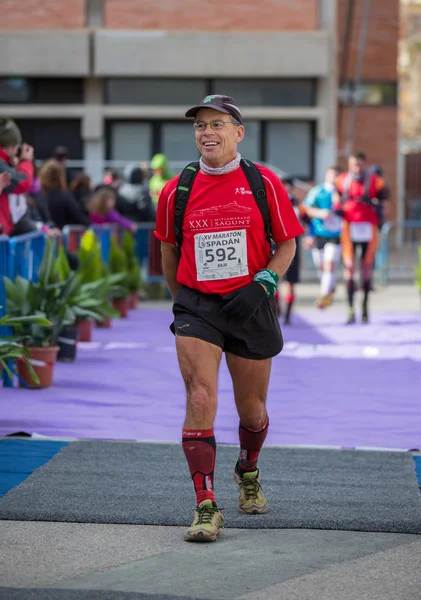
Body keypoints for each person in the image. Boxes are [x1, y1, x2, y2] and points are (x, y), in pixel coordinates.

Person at [154, 94, 304, 543]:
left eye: (218, 124)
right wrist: (186, 303)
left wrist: (263, 284)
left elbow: (287, 244)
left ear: (238, 133)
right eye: (200, 125)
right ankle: (205, 504)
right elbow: (167, 250)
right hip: (198, 305)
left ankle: (248, 468)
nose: (207, 133)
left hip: (251, 303)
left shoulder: (264, 183)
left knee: (252, 410)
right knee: (199, 394)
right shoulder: (176, 188)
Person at [334, 152, 387, 324]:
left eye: (359, 164)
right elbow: (336, 197)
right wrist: (337, 208)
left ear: (364, 164)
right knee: (349, 268)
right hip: (350, 226)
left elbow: (385, 201)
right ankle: (350, 310)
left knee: (366, 268)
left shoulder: (375, 181)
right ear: (349, 165)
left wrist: (380, 215)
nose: (357, 168)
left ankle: (364, 307)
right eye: (353, 164)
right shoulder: (341, 180)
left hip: (368, 227)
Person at [303, 166, 342, 309]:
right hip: (319, 233)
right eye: (332, 175)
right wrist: (320, 213)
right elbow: (307, 209)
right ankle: (330, 287)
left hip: (336, 234)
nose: (334, 178)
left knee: (329, 264)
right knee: (321, 266)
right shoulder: (317, 192)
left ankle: (324, 295)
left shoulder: (342, 193)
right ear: (326, 175)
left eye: (337, 175)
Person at [274, 177, 305, 325]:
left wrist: (310, 237)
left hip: (293, 247)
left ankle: (287, 315)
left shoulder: (298, 204)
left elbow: (308, 222)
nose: (286, 188)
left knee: (291, 282)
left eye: (288, 185)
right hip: (275, 246)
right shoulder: (273, 202)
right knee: (275, 279)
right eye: (283, 185)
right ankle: (277, 309)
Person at [0, 119, 34, 236]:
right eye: (15, 146)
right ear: (8, 146)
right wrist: (25, 162)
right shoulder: (1, 164)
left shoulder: (5, 163)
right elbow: (21, 184)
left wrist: (12, 165)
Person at [38, 159, 91, 230]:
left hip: (44, 237)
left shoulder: (38, 196)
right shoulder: (64, 197)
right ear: (61, 176)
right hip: (62, 237)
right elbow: (81, 219)